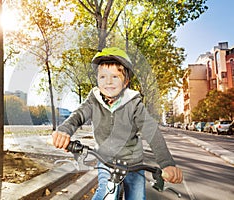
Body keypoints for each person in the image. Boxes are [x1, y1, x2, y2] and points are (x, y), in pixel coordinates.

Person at [52, 47, 183, 199]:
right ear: (97, 80)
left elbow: (151, 131)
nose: (108, 81)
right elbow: (78, 115)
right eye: (102, 77)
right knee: (105, 193)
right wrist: (64, 131)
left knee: (137, 197)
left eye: (115, 76)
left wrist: (167, 163)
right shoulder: (93, 100)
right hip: (106, 160)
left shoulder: (134, 103)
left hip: (133, 163)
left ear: (126, 81)